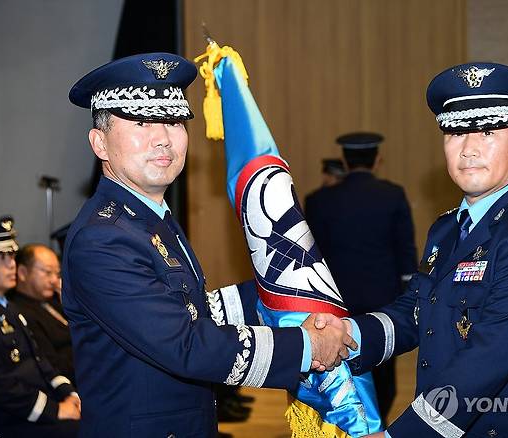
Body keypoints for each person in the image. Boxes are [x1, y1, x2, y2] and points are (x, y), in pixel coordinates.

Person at [63, 52, 355, 437]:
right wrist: (305, 346)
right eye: (141, 121)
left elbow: (191, 308)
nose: (163, 138)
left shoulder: (149, 216)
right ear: (99, 143)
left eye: (173, 121)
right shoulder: (102, 238)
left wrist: (288, 294)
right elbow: (184, 344)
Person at [313, 62, 508, 437]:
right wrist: (349, 334)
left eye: (488, 132)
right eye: (455, 133)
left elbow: (486, 361)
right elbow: (416, 312)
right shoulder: (446, 229)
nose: (469, 149)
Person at [305, 132, 418, 422]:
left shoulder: (319, 200)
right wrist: (409, 292)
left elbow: (311, 256)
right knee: (383, 374)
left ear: (343, 160)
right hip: (384, 300)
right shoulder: (392, 195)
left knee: (337, 369)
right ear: (377, 160)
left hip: (334, 302)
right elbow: (405, 248)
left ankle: (350, 424)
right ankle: (376, 423)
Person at [0, 217, 80, 438]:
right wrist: (56, 409)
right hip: (8, 421)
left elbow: (41, 363)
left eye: (11, 256)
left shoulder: (8, 308)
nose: (11, 264)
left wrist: (68, 393)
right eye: (0, 258)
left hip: (35, 409)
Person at [8, 244, 75, 382]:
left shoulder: (55, 300)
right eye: (47, 272)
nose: (54, 280)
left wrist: (72, 306)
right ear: (22, 273)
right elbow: (53, 365)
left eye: (57, 274)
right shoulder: (20, 312)